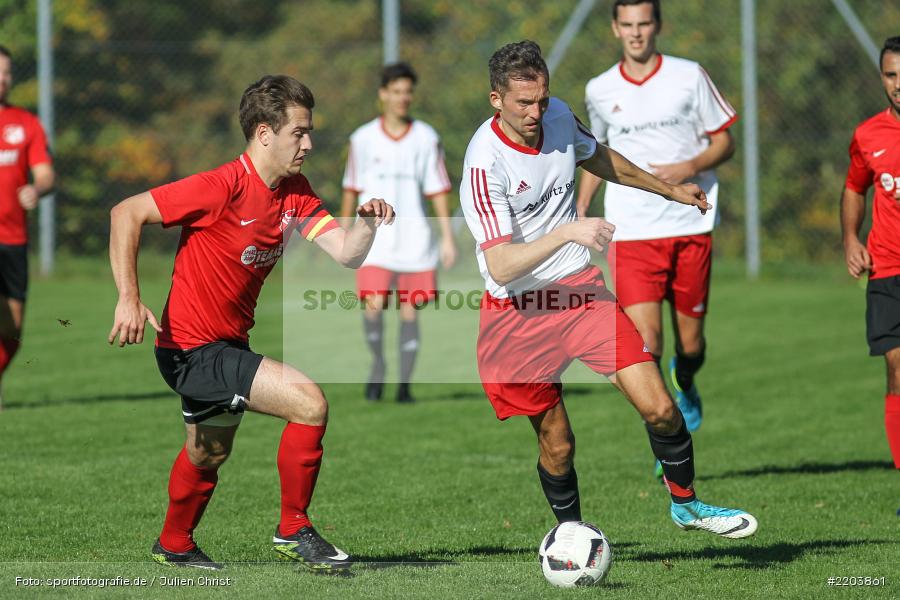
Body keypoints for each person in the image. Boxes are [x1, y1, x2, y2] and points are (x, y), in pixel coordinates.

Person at [460, 40, 757, 539]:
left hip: (578, 293)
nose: (536, 112)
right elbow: (502, 264)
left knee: (661, 408)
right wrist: (567, 231)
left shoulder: (557, 116)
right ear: (496, 99)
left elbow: (599, 157)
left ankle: (686, 505)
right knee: (558, 443)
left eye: (542, 99)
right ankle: (572, 537)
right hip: (517, 313)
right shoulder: (483, 163)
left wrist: (671, 190)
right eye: (522, 104)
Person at [108, 75, 395, 570]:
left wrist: (366, 222)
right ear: (265, 133)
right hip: (191, 349)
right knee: (309, 402)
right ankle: (294, 530)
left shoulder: (295, 193)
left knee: (207, 454)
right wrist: (129, 299)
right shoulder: (220, 186)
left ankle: (174, 544)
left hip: (227, 346)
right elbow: (125, 212)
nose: (308, 143)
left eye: (309, 133)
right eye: (298, 133)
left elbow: (346, 253)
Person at [576, 0, 738, 436]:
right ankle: (670, 439)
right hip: (633, 231)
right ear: (614, 28)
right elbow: (597, 154)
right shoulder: (600, 89)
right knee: (644, 343)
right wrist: (579, 210)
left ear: (657, 26)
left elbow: (726, 141)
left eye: (643, 23)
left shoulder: (689, 76)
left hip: (689, 225)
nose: (635, 33)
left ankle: (685, 380)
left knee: (691, 345)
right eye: (627, 24)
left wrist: (689, 167)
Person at [340, 62, 455, 403]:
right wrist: (344, 230)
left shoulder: (426, 137)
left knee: (409, 313)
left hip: (415, 243)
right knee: (372, 310)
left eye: (408, 92)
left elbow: (437, 190)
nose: (403, 98)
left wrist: (447, 237)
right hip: (373, 244)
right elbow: (351, 187)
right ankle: (378, 365)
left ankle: (404, 384)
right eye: (396, 91)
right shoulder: (362, 138)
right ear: (383, 94)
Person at [841, 36, 900, 513]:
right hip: (888, 268)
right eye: (890, 75)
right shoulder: (868, 135)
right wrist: (850, 238)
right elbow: (853, 186)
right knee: (898, 369)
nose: (898, 85)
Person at [0, 45, 55, 408]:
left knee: (12, 332)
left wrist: (36, 190)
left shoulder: (25, 124)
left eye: (5, 73)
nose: (1, 80)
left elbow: (47, 175)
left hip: (12, 240)